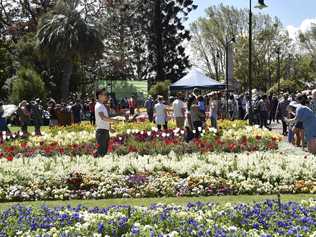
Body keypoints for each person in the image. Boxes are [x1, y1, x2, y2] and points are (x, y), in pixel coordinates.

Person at [95, 88, 114, 156]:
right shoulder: (99, 106)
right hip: (101, 132)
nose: (106, 96)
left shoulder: (102, 105)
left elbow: (104, 119)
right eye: (104, 94)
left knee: (104, 152)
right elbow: (103, 117)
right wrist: (114, 120)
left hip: (104, 131)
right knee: (101, 152)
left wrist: (109, 128)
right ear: (99, 96)